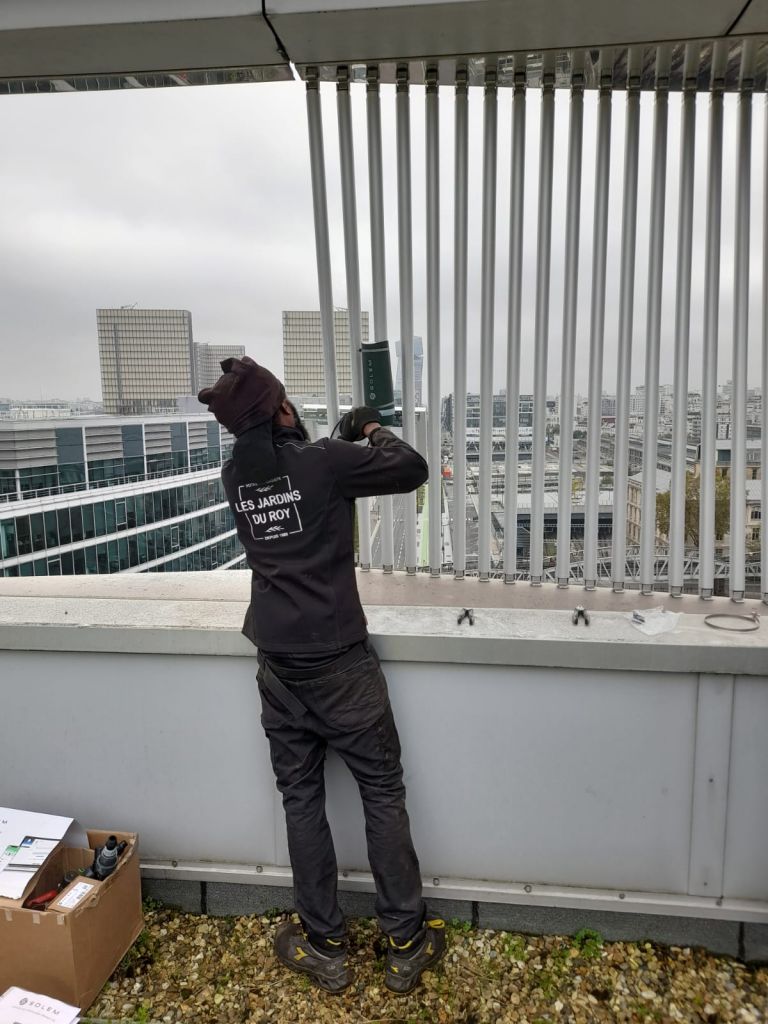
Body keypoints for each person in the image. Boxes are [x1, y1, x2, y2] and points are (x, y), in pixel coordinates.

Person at [198, 356, 445, 994]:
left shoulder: (236, 475)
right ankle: (405, 942)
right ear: (283, 408)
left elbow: (289, 479)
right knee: (381, 792)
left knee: (301, 800)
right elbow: (412, 469)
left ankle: (324, 944)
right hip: (339, 663)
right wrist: (368, 430)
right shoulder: (328, 461)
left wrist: (325, 446)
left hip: (277, 665)